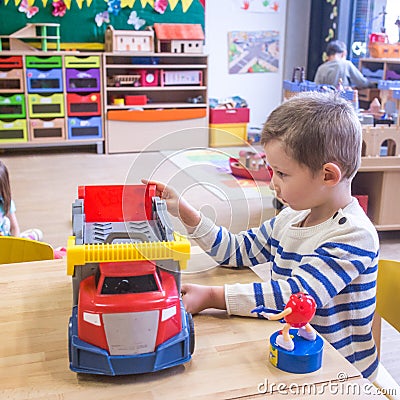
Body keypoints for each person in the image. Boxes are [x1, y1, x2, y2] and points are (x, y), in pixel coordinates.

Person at [142, 91, 380, 381]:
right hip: (293, 354)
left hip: (341, 372)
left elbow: (293, 297)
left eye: (281, 174)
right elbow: (236, 251)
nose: (273, 185)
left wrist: (214, 297)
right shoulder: (292, 216)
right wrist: (187, 213)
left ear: (328, 175)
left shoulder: (353, 235)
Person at [0, 160, 43, 240]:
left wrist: (15, 245)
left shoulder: (5, 202)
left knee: (37, 233)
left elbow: (14, 228)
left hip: (8, 244)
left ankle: (25, 239)